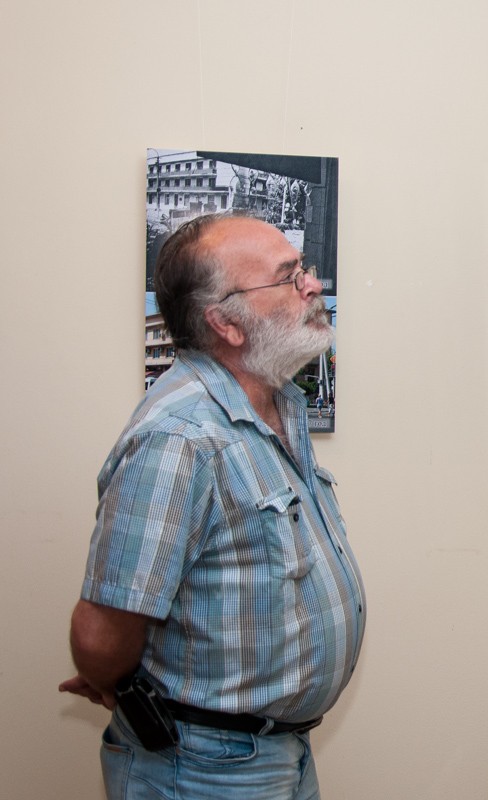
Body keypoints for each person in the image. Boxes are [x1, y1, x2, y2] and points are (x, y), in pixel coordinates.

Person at [59, 214, 366, 799]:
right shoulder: (181, 437)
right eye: (289, 276)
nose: (312, 285)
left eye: (304, 269)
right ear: (226, 323)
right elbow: (100, 637)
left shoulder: (277, 404)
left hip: (273, 754)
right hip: (204, 770)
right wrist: (112, 679)